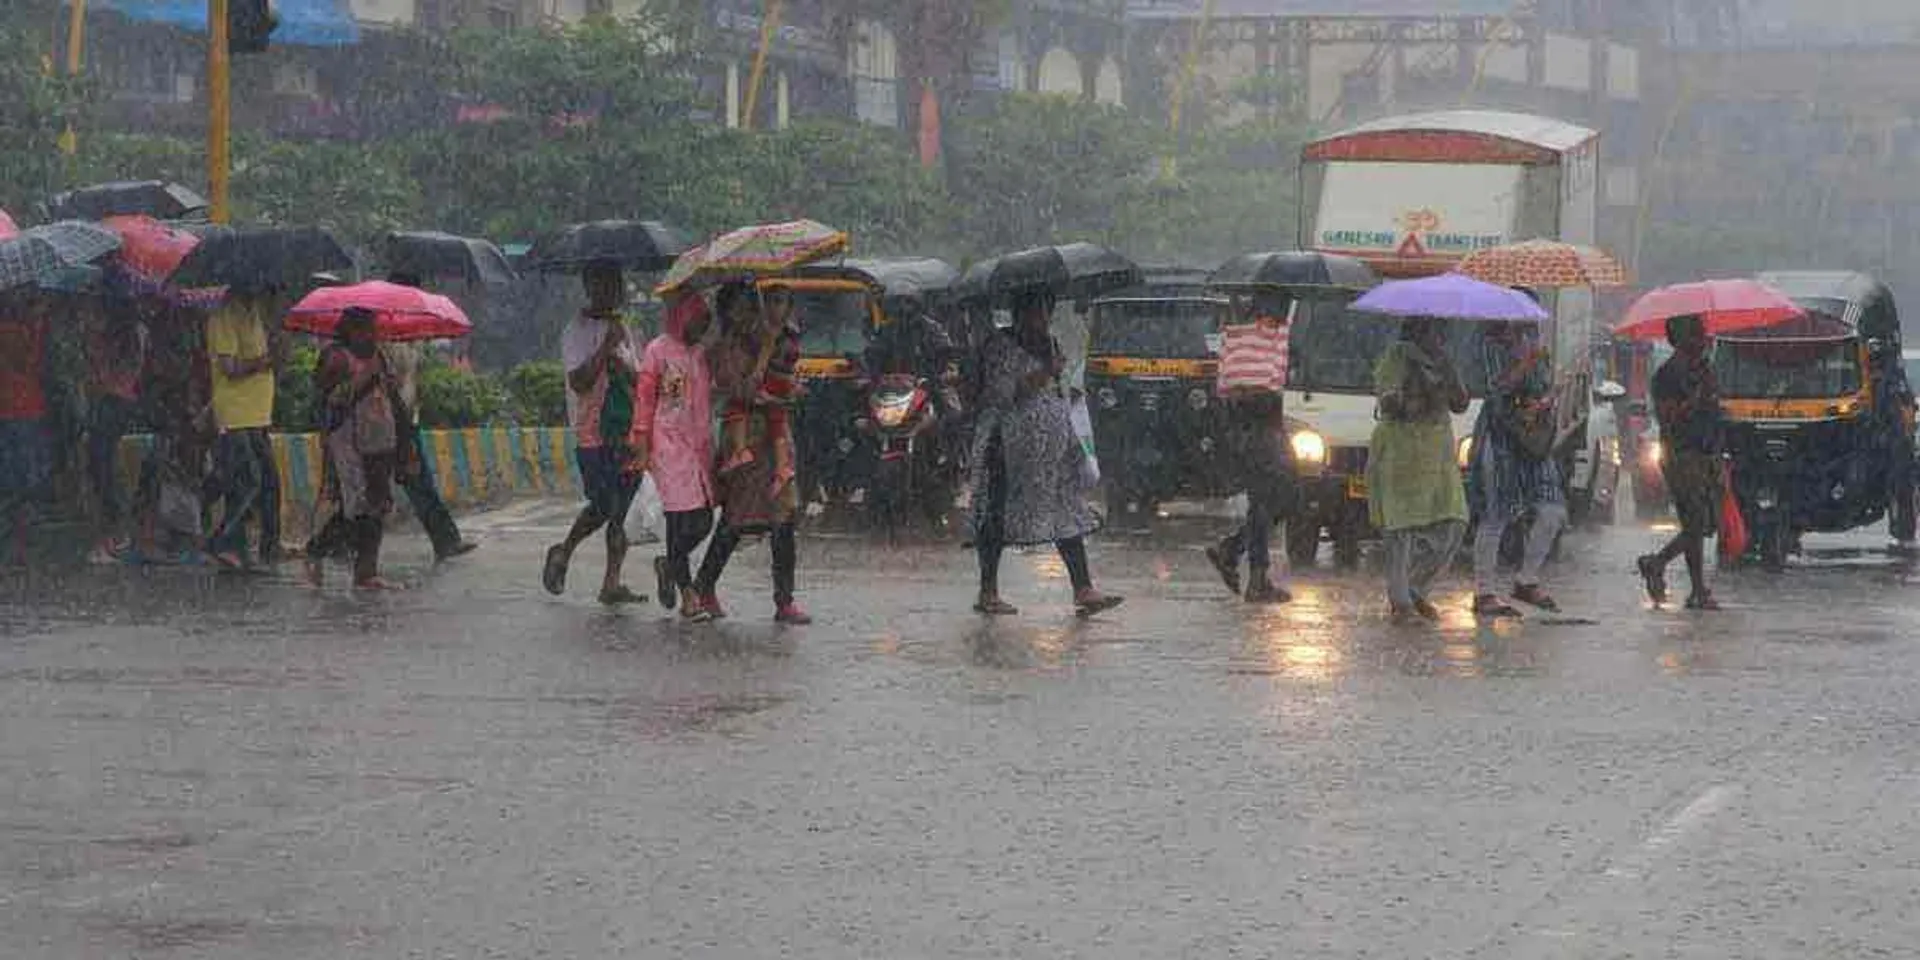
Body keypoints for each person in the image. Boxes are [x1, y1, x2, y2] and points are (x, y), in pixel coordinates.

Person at [964, 288, 1122, 618]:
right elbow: (1005, 393)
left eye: (1046, 311)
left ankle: (1083, 588)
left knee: (1066, 510)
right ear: (1020, 313)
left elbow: (1057, 389)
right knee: (996, 512)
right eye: (1036, 311)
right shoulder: (1000, 346)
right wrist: (1044, 371)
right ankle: (988, 591)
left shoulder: (1049, 342)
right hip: (1004, 445)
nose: (1042, 318)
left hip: (1051, 450)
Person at [693, 287, 813, 625]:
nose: (747, 316)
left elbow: (782, 379)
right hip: (744, 441)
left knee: (784, 517)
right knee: (737, 519)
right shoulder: (724, 350)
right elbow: (743, 392)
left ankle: (784, 599)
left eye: (751, 308)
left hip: (775, 437)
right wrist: (764, 357)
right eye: (740, 310)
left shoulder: (768, 338)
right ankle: (704, 585)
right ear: (727, 313)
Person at [542, 263, 646, 605]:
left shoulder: (623, 328)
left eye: (616, 283)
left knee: (624, 509)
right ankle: (565, 549)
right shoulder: (577, 329)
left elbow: (639, 380)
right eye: (603, 283)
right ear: (589, 285)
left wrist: (624, 365)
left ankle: (612, 581)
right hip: (593, 433)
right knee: (603, 504)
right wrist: (605, 350)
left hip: (626, 432)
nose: (612, 291)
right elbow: (579, 381)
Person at [1367, 317, 1471, 622]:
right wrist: (1416, 393)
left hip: (1436, 457)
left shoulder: (1444, 361)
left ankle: (1415, 589)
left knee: (1454, 523)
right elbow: (1389, 403)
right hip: (1400, 453)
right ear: (1417, 331)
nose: (1438, 339)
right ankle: (1401, 602)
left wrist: (1448, 373)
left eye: (1441, 333)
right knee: (1400, 530)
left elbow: (1461, 403)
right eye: (1432, 332)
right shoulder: (1396, 358)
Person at [1466, 319, 1566, 617]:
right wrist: (1525, 363)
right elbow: (1496, 390)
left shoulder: (1533, 345)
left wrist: (1543, 402)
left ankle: (1526, 580)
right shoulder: (1485, 347)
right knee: (1496, 514)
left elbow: (1543, 387)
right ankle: (1484, 592)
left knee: (1552, 511)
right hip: (1498, 441)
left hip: (1533, 440)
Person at [632, 292, 718, 620]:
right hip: (667, 446)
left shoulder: (699, 355)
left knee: (703, 520)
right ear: (683, 316)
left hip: (696, 449)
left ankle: (669, 564)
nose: (703, 328)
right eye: (700, 321)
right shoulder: (657, 351)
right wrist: (642, 445)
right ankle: (688, 596)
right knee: (679, 521)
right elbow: (645, 400)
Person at [1207, 293, 1295, 603]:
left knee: (1275, 501)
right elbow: (1249, 391)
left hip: (1255, 434)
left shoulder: (1242, 340)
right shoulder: (1254, 343)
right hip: (1258, 434)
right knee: (1269, 500)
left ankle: (1233, 551)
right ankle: (1255, 575)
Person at [304, 308, 400, 589]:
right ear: (351, 330)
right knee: (355, 507)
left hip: (380, 439)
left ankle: (366, 570)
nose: (373, 334)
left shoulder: (379, 355)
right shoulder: (336, 358)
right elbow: (325, 401)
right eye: (367, 328)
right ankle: (317, 551)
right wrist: (362, 383)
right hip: (348, 441)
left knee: (379, 504)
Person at [1637, 314, 1723, 610]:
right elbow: (1668, 417)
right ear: (1683, 340)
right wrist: (1693, 401)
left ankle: (1695, 588)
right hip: (1681, 455)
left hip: (1705, 452)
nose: (1704, 340)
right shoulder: (1667, 375)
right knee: (1696, 522)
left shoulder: (1704, 370)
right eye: (1698, 335)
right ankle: (1660, 565)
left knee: (1700, 523)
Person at [205, 289, 283, 569]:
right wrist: (261, 362)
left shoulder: (257, 314)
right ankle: (224, 541)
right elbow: (229, 367)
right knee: (247, 479)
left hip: (259, 413)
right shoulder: (224, 314)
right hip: (235, 412)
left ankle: (269, 547)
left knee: (269, 483)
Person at [382, 338, 478, 561]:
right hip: (391, 426)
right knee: (413, 485)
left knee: (421, 484)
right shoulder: (386, 348)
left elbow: (410, 385)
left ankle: (447, 541)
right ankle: (331, 544)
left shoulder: (409, 347)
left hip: (406, 423)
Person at [716, 284, 799, 495]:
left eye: (746, 308)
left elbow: (781, 378)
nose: (741, 315)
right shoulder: (728, 345)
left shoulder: (767, 337)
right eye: (735, 309)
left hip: (763, 437)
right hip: (745, 434)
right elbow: (733, 386)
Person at [84, 297, 148, 562]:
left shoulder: (122, 335)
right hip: (122, 400)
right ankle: (117, 532)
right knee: (105, 464)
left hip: (112, 400)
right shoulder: (135, 331)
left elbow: (108, 373)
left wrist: (95, 351)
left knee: (102, 466)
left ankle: (113, 534)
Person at [0, 294, 53, 569]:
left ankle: (15, 538)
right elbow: (29, 363)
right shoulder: (13, 331)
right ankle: (18, 542)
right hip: (23, 410)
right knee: (23, 481)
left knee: (12, 480)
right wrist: (38, 326)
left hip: (12, 409)